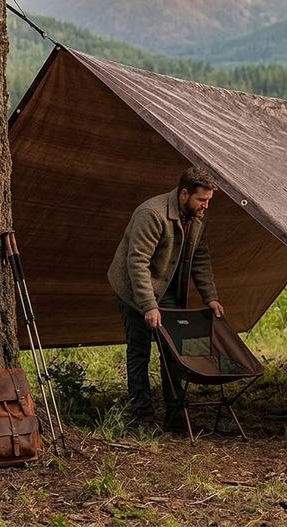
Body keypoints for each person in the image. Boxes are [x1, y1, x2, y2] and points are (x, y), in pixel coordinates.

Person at [108, 166, 225, 432]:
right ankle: (143, 420)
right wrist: (148, 305)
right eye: (202, 200)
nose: (206, 205)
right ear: (184, 194)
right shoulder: (152, 213)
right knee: (139, 352)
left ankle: (176, 416)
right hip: (134, 289)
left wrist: (211, 297)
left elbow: (200, 257)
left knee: (173, 353)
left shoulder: (197, 215)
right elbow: (136, 263)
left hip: (168, 290)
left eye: (209, 200)